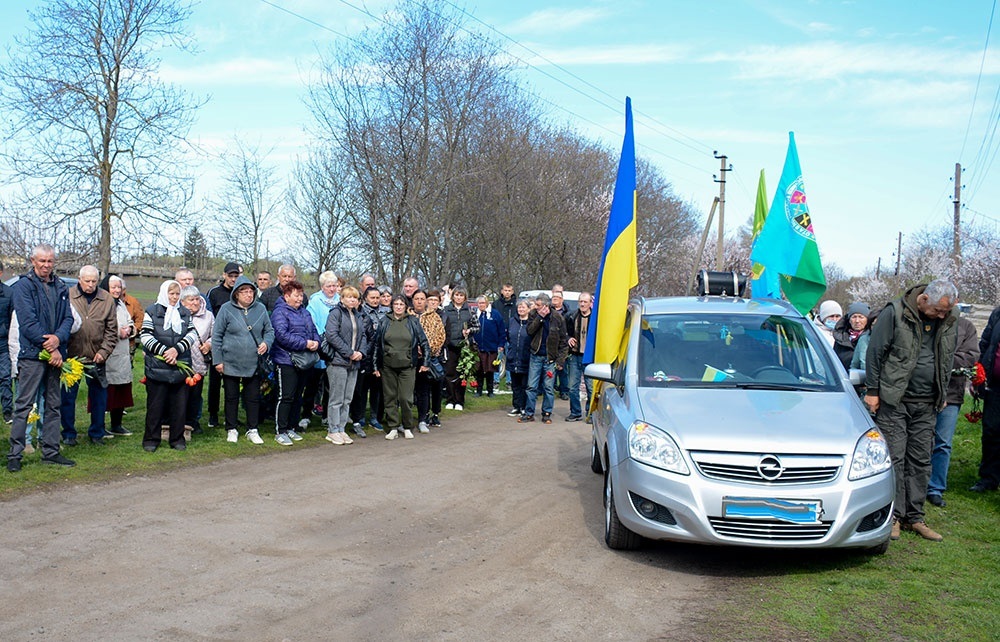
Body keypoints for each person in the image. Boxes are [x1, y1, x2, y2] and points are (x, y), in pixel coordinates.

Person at [864, 279, 959, 542]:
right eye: (938, 310)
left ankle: (915, 517)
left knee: (921, 459)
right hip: (895, 399)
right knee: (895, 457)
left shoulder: (950, 316)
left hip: (928, 401)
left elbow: (947, 355)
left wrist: (943, 391)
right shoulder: (894, 313)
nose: (942, 315)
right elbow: (875, 352)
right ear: (924, 299)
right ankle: (893, 515)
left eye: (946, 311)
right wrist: (873, 391)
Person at [6, 244, 76, 472]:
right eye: (42, 261)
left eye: (50, 261)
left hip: (55, 355)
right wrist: (51, 346)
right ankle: (15, 454)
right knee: (24, 405)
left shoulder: (61, 286)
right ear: (33, 261)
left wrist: (58, 340)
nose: (46, 265)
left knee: (54, 405)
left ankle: (51, 451)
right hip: (32, 356)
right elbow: (28, 323)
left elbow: (68, 319)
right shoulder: (23, 286)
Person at [212, 275, 274, 445]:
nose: (248, 295)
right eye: (244, 291)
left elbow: (269, 331)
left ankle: (252, 429)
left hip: (253, 362)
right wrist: (218, 361)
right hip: (230, 360)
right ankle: (231, 428)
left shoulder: (260, 309)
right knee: (231, 396)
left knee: (253, 397)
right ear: (236, 294)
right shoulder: (226, 309)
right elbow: (217, 335)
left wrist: (266, 344)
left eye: (251, 291)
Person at [61, 265, 117, 446]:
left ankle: (97, 432)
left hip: (96, 356)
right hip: (72, 357)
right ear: (79, 279)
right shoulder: (67, 295)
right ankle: (68, 433)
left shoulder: (106, 299)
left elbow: (111, 330)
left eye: (94, 281)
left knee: (99, 397)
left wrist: (104, 352)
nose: (91, 285)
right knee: (68, 398)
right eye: (87, 281)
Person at [926, 315, 978, 507]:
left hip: (952, 392)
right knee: (919, 440)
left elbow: (971, 356)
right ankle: (914, 484)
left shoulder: (965, 326)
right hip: (925, 391)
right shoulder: (928, 321)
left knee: (942, 442)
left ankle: (935, 487)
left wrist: (941, 358)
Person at [140, 280, 198, 452]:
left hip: (179, 366)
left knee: (179, 407)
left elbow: (192, 334)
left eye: (177, 294)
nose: (174, 297)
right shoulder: (152, 311)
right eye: (171, 294)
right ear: (164, 293)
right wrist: (166, 352)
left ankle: (177, 438)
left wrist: (176, 350)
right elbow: (145, 335)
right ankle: (151, 439)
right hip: (158, 366)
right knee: (155, 406)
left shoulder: (185, 312)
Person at [271, 279, 321, 446]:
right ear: (286, 296)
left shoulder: (304, 312)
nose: (300, 299)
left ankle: (292, 427)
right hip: (286, 360)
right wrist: (304, 343)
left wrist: (315, 342)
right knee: (285, 396)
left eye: (301, 295)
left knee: (297, 397)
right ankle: (281, 430)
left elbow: (313, 330)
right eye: (296, 296)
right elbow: (282, 336)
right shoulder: (280, 313)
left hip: (304, 361)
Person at [374, 294, 430, 440]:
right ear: (392, 306)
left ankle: (407, 426)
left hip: (408, 366)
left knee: (405, 398)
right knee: (390, 397)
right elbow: (376, 345)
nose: (398, 307)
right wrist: (375, 366)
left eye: (401, 304)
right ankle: (393, 426)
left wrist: (426, 363)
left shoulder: (413, 321)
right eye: (396, 304)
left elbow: (424, 343)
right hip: (388, 366)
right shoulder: (384, 321)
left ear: (406, 306)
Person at [324, 286, 367, 444]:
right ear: (341, 298)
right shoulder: (335, 313)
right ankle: (332, 430)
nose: (352, 300)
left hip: (354, 363)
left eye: (354, 297)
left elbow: (363, 336)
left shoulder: (358, 315)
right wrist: (349, 352)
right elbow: (331, 335)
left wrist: (361, 352)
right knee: (336, 398)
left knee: (347, 398)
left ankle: (341, 428)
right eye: (348, 297)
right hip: (338, 362)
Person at [519, 293, 568, 424]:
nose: (535, 306)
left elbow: (564, 341)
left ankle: (547, 413)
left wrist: (560, 360)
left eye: (538, 305)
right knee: (531, 386)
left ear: (546, 305)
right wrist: (540, 317)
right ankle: (529, 413)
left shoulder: (558, 318)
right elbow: (529, 331)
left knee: (548, 387)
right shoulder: (534, 314)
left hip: (550, 358)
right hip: (536, 355)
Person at [205, 262, 241, 427]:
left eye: (236, 276)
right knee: (215, 381)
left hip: (236, 342)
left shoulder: (241, 292)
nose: (233, 279)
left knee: (232, 382)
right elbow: (209, 316)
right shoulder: (214, 293)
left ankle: (231, 415)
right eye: (230, 276)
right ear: (224, 275)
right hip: (218, 341)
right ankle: (213, 414)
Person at [970, 303, 1000, 494]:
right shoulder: (998, 313)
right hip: (995, 386)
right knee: (991, 431)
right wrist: (977, 376)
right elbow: (985, 343)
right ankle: (989, 478)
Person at [304, 270, 341, 425]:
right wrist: (323, 340)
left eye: (334, 285)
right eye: (328, 286)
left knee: (330, 385)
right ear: (322, 287)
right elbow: (311, 323)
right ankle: (306, 414)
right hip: (319, 347)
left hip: (336, 349)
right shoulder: (315, 301)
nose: (331, 289)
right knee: (312, 384)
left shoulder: (340, 300)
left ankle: (327, 415)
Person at [350, 286, 385, 433]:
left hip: (380, 356)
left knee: (377, 390)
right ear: (365, 299)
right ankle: (360, 416)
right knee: (361, 390)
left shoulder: (385, 312)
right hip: (364, 357)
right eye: (372, 298)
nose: (375, 300)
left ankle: (375, 417)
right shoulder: (360, 313)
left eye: (378, 298)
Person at [179, 285, 214, 434]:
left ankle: (193, 422)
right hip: (180, 363)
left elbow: (216, 335)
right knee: (180, 395)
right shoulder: (176, 314)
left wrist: (208, 344)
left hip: (198, 362)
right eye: (190, 300)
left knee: (195, 396)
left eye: (197, 299)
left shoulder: (208, 316)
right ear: (182, 302)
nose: (194, 302)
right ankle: (177, 422)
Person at [104, 276, 135, 437]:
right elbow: (101, 324)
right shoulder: (102, 303)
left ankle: (117, 424)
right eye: (113, 287)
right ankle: (100, 426)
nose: (116, 290)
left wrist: (130, 328)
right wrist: (118, 331)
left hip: (123, 353)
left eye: (118, 287)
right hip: (109, 353)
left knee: (121, 389)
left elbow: (129, 320)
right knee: (107, 391)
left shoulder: (121, 303)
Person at [441, 286, 478, 411]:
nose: (459, 297)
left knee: (462, 374)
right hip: (450, 346)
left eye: (461, 295)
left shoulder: (470, 310)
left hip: (464, 347)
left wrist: (469, 330)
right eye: (457, 295)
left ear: (465, 297)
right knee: (450, 373)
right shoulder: (446, 310)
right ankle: (450, 399)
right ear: (453, 296)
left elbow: (477, 327)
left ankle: (459, 401)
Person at [414, 289, 446, 432]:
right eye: (417, 299)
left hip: (429, 358)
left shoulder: (434, 317)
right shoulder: (409, 316)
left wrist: (427, 349)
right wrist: (415, 348)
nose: (420, 301)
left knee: (427, 389)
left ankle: (427, 416)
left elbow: (440, 336)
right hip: (411, 358)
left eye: (422, 299)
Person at [565, 291, 594, 422]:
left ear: (590, 303)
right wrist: (568, 338)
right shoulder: (571, 317)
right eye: (580, 302)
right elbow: (564, 332)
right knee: (572, 387)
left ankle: (591, 413)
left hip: (590, 358)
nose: (582, 304)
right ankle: (575, 412)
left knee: (591, 387)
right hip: (575, 356)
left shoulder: (596, 318)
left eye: (585, 302)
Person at [473, 295, 505, 397]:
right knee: (479, 370)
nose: (481, 305)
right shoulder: (475, 315)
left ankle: (490, 391)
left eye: (483, 303)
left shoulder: (495, 314)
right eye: (479, 303)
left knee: (490, 370)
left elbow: (501, 331)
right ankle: (479, 390)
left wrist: (501, 345)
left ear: (487, 303)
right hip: (478, 347)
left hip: (491, 347)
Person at [505, 298, 532, 418]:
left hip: (525, 358)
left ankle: (524, 407)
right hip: (513, 357)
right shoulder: (512, 321)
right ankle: (516, 406)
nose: (521, 309)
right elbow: (508, 337)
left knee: (524, 385)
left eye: (523, 307)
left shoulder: (532, 322)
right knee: (515, 384)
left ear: (529, 309)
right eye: (519, 307)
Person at [832, 302, 871, 371]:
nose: (857, 321)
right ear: (849, 320)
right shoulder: (841, 337)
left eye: (861, 317)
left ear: (867, 320)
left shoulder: (870, 338)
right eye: (854, 317)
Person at [550, 289, 572, 400]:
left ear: (562, 300)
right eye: (553, 297)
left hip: (562, 344)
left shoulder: (568, 313)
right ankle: (549, 388)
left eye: (557, 297)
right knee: (549, 368)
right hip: (550, 344)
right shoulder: (548, 311)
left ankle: (564, 391)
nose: (554, 299)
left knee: (562, 369)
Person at [0, 261, 13, 423]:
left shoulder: (9, 293)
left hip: (3, 343)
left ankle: (8, 410)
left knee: (5, 378)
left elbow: (13, 320)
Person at [120, 280, 145, 357]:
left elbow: (140, 320)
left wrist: (132, 330)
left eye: (121, 288)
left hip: (129, 343)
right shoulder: (107, 301)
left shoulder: (133, 302)